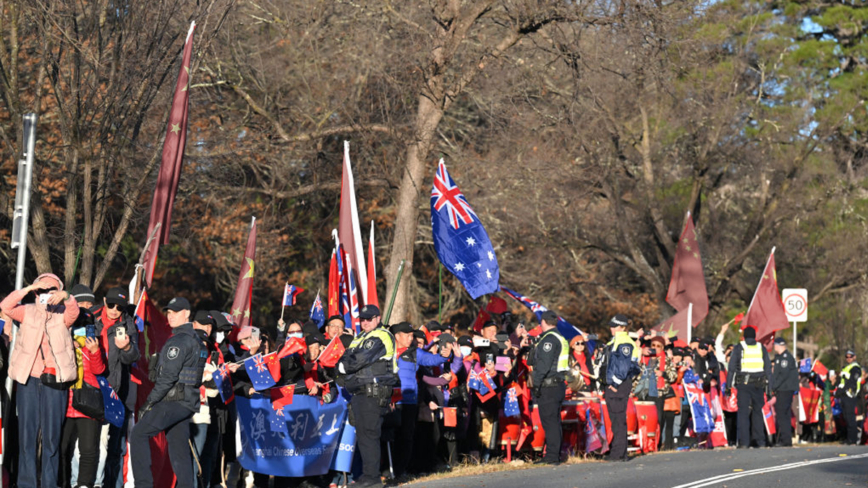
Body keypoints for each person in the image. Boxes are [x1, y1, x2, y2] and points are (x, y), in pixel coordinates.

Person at [1, 274, 79, 488]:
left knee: (51, 438)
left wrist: (66, 296)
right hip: (29, 380)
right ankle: (26, 483)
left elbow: (75, 311)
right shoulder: (27, 311)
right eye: (42, 291)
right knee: (27, 436)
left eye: (51, 290)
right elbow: (6, 306)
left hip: (55, 382)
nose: (46, 294)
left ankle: (49, 484)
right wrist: (28, 288)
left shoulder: (64, 314)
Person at [130, 297, 208, 488]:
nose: (170, 315)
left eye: (176, 312)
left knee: (138, 434)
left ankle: (143, 485)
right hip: (187, 402)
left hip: (173, 400)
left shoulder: (179, 341)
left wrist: (149, 403)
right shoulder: (196, 339)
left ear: (187, 314)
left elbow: (167, 378)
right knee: (178, 448)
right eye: (169, 312)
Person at [337, 305, 398, 488]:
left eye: (369, 319)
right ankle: (367, 476)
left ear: (378, 318)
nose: (365, 322)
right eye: (362, 319)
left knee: (369, 435)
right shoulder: (359, 337)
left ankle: (372, 479)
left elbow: (357, 360)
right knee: (363, 435)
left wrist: (344, 366)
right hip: (360, 392)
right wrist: (343, 365)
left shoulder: (381, 336)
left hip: (374, 391)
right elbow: (344, 357)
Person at [391, 321, 450, 477]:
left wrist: (444, 355)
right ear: (397, 336)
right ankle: (386, 469)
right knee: (391, 436)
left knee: (406, 436)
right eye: (407, 335)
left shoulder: (415, 352)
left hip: (409, 401)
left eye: (412, 335)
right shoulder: (387, 350)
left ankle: (400, 469)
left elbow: (432, 360)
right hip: (390, 401)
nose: (411, 338)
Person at [96, 287, 139, 488]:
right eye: (111, 304)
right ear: (104, 301)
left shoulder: (128, 324)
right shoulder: (93, 316)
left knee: (110, 444)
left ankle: (108, 484)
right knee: (86, 443)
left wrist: (127, 347)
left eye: (119, 307)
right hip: (88, 384)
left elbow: (132, 357)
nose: (114, 310)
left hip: (112, 388)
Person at [60, 308, 105, 488]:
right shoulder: (64, 342)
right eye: (79, 325)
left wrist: (94, 351)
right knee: (61, 447)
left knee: (88, 449)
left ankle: (84, 484)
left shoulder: (95, 344)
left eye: (87, 326)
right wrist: (68, 346)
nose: (83, 329)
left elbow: (100, 370)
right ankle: (61, 482)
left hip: (88, 401)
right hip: (66, 401)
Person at [531, 310, 569, 465]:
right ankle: (555, 454)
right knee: (554, 420)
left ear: (544, 322)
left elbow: (544, 365)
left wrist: (536, 383)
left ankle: (552, 456)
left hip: (549, 385)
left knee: (550, 421)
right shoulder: (560, 338)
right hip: (558, 384)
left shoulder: (549, 340)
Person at [726, 325, 771, 448]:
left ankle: (744, 442)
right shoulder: (761, 348)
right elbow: (768, 369)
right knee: (757, 413)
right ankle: (760, 441)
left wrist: (728, 386)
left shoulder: (740, 347)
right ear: (755, 336)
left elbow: (731, 369)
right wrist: (769, 389)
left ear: (744, 336)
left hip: (744, 385)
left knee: (743, 414)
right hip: (758, 384)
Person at [604, 314, 640, 461]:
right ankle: (618, 452)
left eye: (615, 326)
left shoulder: (624, 342)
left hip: (618, 384)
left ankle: (619, 454)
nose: (612, 328)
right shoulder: (615, 341)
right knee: (615, 419)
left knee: (618, 419)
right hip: (614, 384)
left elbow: (624, 367)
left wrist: (614, 383)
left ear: (623, 327)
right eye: (611, 325)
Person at [770, 336, 798, 446]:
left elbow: (783, 376)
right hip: (782, 389)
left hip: (785, 389)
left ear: (779, 345)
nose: (774, 347)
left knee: (782, 414)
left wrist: (774, 387)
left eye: (775, 345)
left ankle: (785, 440)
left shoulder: (785, 358)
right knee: (783, 414)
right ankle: (785, 439)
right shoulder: (779, 357)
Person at [837, 349, 862, 445]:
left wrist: (841, 391)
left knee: (850, 418)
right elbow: (842, 382)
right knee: (846, 418)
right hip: (844, 395)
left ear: (854, 357)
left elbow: (852, 383)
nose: (848, 358)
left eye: (850, 356)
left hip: (850, 395)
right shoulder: (846, 368)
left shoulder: (855, 368)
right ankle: (849, 438)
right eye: (846, 356)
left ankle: (853, 439)